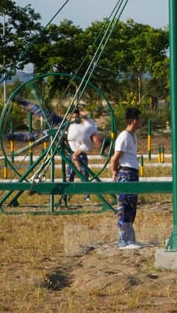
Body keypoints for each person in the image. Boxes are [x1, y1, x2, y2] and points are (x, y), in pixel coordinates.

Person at [110, 107, 143, 249]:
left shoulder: (133, 136)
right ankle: (123, 241)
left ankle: (130, 239)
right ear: (134, 120)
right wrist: (114, 173)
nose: (142, 122)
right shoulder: (123, 136)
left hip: (133, 173)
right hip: (125, 173)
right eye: (140, 119)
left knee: (131, 207)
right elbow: (115, 158)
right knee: (124, 207)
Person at [65, 109, 102, 202]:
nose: (74, 119)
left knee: (84, 175)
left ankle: (87, 196)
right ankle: (67, 195)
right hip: (71, 154)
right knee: (69, 176)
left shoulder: (84, 129)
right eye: (73, 117)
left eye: (76, 117)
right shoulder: (69, 128)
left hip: (81, 154)